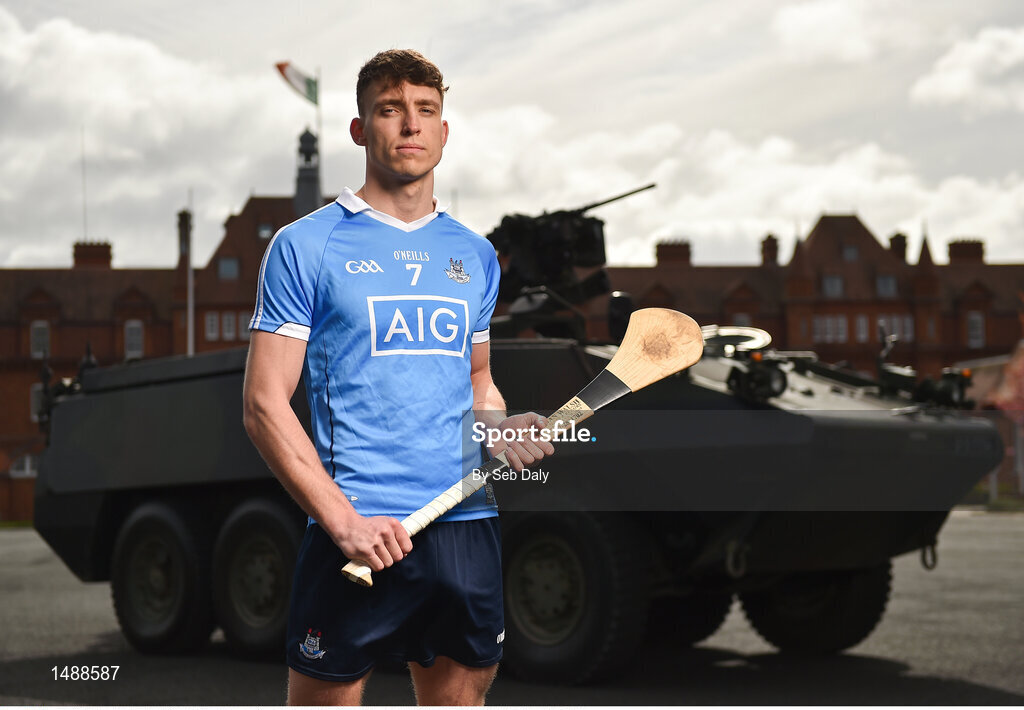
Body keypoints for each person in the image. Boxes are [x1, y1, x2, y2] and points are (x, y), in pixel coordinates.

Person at [242, 49, 552, 706]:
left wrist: (498, 426)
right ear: (361, 129)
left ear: (444, 130)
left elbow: (478, 380)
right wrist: (342, 521)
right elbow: (265, 404)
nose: (411, 124)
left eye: (425, 110)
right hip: (359, 527)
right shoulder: (306, 245)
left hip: (465, 522)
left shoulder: (474, 255)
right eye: (390, 109)